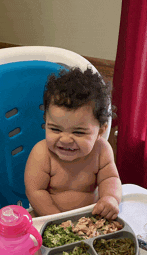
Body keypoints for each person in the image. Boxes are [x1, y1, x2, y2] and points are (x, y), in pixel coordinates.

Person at [24, 67, 122, 218]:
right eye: (55, 129)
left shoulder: (101, 150)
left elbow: (110, 179)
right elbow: (35, 192)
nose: (65, 139)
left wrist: (110, 198)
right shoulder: (42, 153)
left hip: (91, 219)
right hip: (48, 219)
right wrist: (57, 220)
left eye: (78, 132)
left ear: (101, 131)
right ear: (46, 122)